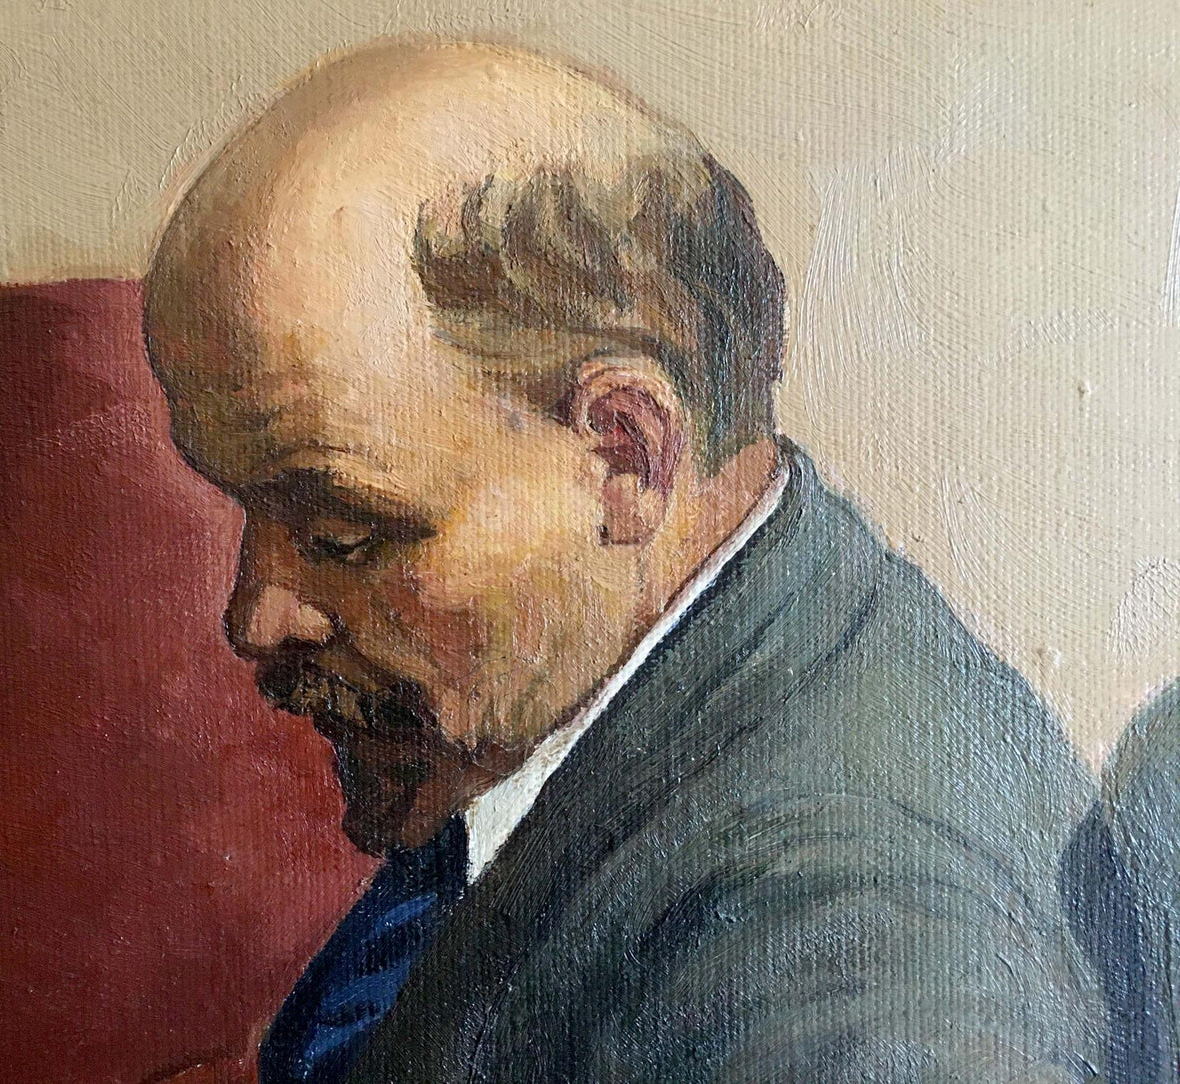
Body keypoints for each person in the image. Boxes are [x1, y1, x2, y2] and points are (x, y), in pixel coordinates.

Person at [144, 37, 1106, 1083]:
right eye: (248, 511)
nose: (256, 616)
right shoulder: (622, 701)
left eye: (343, 533)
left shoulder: (856, 956)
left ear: (623, 456)